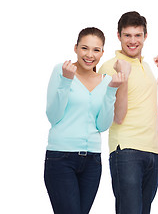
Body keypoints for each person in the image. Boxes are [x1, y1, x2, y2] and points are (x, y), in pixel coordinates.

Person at [44, 27, 124, 214]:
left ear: (102, 52)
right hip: (60, 157)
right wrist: (66, 80)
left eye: (96, 50)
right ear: (76, 48)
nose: (90, 55)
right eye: (84, 48)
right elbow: (53, 116)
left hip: (92, 162)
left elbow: (102, 126)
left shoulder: (106, 81)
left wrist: (112, 90)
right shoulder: (61, 71)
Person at [98, 11, 158, 214]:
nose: (132, 41)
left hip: (153, 151)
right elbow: (116, 115)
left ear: (145, 37)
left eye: (137, 35)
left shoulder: (145, 65)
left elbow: (154, 100)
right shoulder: (110, 66)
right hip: (126, 149)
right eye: (127, 35)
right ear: (118, 36)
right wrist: (123, 77)